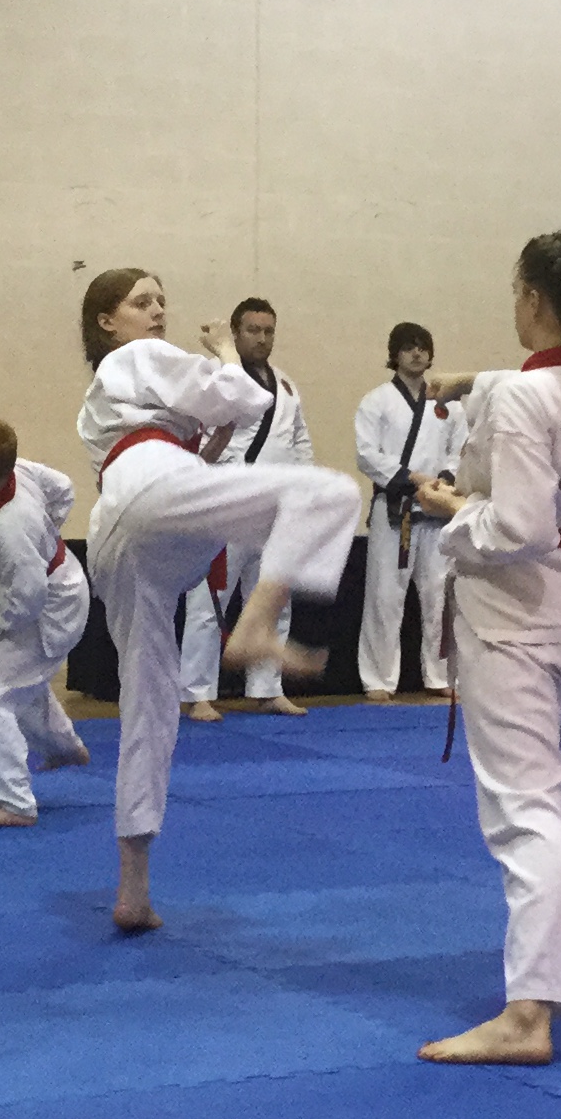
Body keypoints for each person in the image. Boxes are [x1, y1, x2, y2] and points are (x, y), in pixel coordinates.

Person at [78, 269, 362, 933]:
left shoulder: (101, 398)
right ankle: (256, 624)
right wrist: (225, 349)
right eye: (141, 301)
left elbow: (193, 435)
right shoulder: (140, 356)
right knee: (329, 493)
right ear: (106, 322)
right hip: (155, 491)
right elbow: (245, 396)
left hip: (121, 532)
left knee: (149, 703)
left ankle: (133, 888)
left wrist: (202, 434)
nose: (157, 310)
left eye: (161, 300)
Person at [408, 229, 561, 1065]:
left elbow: (520, 527)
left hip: (516, 616)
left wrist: (451, 511)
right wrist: (466, 380)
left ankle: (528, 1014)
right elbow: (530, 398)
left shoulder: (526, 400)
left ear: (533, 299)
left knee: (522, 805)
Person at [177, 297, 316, 722]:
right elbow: (197, 438)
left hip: (274, 508)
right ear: (235, 333)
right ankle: (197, 692)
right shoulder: (214, 377)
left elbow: (298, 442)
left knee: (273, 600)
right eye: (253, 330)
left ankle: (267, 688)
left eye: (268, 331)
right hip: (227, 504)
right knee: (210, 600)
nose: (261, 338)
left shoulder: (286, 384)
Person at [0, 415, 92, 827]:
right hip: (59, 584)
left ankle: (12, 801)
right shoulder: (22, 473)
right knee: (20, 678)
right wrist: (45, 534)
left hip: (51, 604)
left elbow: (28, 597)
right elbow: (64, 488)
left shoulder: (9, 525)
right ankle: (64, 747)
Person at [353, 324, 465, 699]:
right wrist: (412, 478)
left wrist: (445, 480)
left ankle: (440, 676)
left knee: (439, 595)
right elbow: (367, 455)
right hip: (395, 508)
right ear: (395, 355)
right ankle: (378, 678)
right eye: (408, 348)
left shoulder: (448, 404)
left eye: (422, 348)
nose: (417, 354)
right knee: (385, 596)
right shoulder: (377, 400)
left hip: (439, 508)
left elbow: (460, 449)